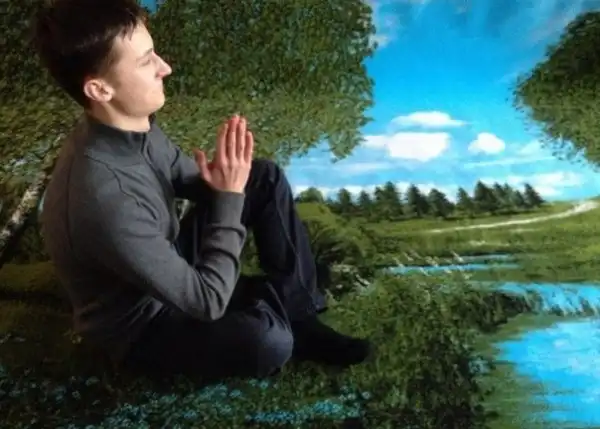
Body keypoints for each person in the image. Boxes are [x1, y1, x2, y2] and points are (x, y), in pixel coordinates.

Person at [33, 0, 371, 380]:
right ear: (100, 89)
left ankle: (301, 316)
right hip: (144, 327)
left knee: (262, 177)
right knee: (268, 342)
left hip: (162, 259)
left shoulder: (129, 124)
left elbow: (178, 173)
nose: (165, 67)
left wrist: (222, 177)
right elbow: (207, 302)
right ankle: (276, 305)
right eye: (146, 62)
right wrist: (229, 198)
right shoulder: (105, 198)